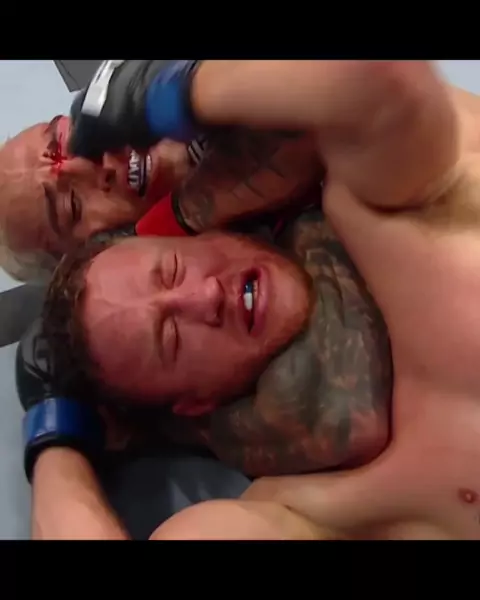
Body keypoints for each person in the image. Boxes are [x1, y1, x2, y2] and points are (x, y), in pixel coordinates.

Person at [30, 58, 476, 540]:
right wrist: (55, 433)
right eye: (172, 337)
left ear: (199, 236)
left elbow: (375, 79)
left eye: (174, 269)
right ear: (195, 402)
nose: (205, 296)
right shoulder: (311, 506)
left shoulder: (382, 203)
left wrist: (174, 88)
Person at [0, 108, 320, 281]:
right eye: (71, 205)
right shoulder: (230, 294)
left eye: (62, 141)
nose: (93, 164)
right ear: (91, 261)